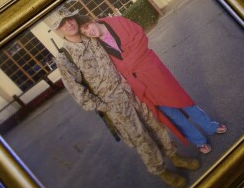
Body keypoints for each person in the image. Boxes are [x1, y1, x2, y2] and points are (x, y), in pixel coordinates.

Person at [46, 7, 199, 188]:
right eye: (62, 24)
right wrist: (104, 106)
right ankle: (161, 170)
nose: (69, 24)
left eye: (69, 18)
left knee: (155, 122)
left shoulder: (90, 35)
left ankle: (175, 156)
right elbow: (77, 91)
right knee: (140, 137)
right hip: (113, 104)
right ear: (57, 30)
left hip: (130, 89)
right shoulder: (65, 58)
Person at [78, 15, 227, 155]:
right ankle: (198, 140)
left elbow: (140, 38)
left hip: (153, 71)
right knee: (170, 113)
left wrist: (128, 64)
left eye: (87, 26)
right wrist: (129, 62)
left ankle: (210, 126)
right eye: (84, 32)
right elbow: (113, 67)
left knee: (183, 101)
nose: (89, 31)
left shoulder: (118, 21)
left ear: (91, 20)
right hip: (139, 83)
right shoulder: (98, 47)